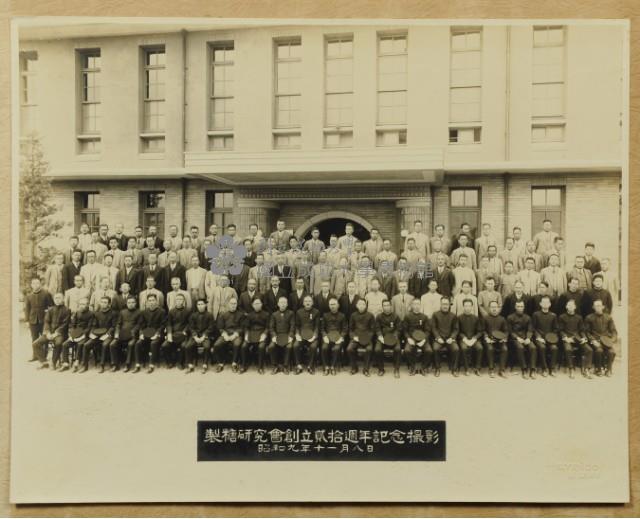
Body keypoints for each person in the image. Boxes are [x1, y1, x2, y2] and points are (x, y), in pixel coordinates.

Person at [32, 292, 69, 370]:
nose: (57, 300)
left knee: (58, 343)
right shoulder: (50, 309)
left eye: (59, 298)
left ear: (63, 299)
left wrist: (56, 333)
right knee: (35, 344)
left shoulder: (67, 310)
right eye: (56, 298)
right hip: (49, 333)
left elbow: (65, 324)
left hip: (60, 334)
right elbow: (46, 322)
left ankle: (53, 362)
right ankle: (43, 362)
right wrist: (48, 333)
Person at [82, 295, 117, 373]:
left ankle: (102, 365)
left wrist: (107, 334)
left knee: (104, 345)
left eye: (105, 302)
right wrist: (92, 333)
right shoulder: (97, 313)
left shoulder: (113, 313)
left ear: (109, 304)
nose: (103, 304)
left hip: (108, 335)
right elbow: (94, 325)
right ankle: (85, 365)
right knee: (86, 345)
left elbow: (113, 327)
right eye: (102, 302)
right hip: (98, 334)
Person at [133, 294, 167, 374]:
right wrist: (141, 334)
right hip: (147, 333)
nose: (151, 302)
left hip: (158, 334)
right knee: (138, 343)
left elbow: (163, 325)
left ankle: (151, 365)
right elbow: (141, 325)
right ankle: (137, 364)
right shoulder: (144, 312)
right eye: (150, 301)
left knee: (153, 343)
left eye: (153, 300)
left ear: (156, 301)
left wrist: (157, 334)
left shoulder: (162, 311)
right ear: (147, 302)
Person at [584, 299, 618, 376]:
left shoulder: (608, 317)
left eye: (599, 305)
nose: (598, 307)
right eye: (596, 306)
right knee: (599, 350)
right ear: (593, 307)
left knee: (612, 352)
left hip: (606, 340)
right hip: (595, 340)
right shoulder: (589, 317)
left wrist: (612, 340)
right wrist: (593, 341)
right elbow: (587, 332)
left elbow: (614, 331)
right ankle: (598, 369)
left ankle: (608, 369)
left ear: (603, 307)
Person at [558, 299, 589, 379]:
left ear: (575, 307)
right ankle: (571, 369)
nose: (570, 307)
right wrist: (565, 338)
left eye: (572, 306)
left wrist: (584, 338)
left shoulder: (579, 317)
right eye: (569, 305)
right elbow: (560, 330)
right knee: (568, 349)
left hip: (577, 338)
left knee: (589, 349)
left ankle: (585, 369)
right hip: (567, 339)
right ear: (566, 307)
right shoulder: (562, 317)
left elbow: (582, 330)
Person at [212, 297, 244, 373]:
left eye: (235, 304)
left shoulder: (241, 314)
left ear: (237, 305)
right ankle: (220, 363)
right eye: (231, 304)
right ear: (228, 305)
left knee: (237, 344)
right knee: (216, 345)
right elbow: (220, 327)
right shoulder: (223, 315)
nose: (233, 305)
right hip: (225, 334)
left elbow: (242, 328)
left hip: (236, 334)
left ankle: (234, 363)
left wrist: (235, 335)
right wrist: (225, 335)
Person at [346, 298, 376, 376]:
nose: (361, 306)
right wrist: (353, 337)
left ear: (365, 306)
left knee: (369, 349)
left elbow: (372, 330)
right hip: (356, 338)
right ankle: (354, 367)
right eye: (359, 304)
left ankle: (366, 369)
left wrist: (367, 338)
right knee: (349, 349)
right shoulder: (353, 315)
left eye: (363, 304)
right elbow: (351, 329)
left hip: (366, 338)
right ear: (356, 306)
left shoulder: (370, 315)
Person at [531, 295, 560, 377]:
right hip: (539, 338)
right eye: (543, 302)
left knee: (554, 348)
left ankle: (552, 368)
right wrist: (539, 337)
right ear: (540, 304)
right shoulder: (535, 314)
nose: (545, 304)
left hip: (550, 338)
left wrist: (550, 338)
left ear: (550, 304)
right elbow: (533, 328)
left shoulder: (553, 315)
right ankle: (544, 368)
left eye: (547, 302)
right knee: (542, 347)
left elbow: (556, 329)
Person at [184, 298, 215, 373]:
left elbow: (211, 327)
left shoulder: (209, 315)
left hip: (205, 335)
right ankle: (190, 365)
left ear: (205, 305)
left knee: (207, 347)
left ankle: (205, 364)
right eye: (198, 304)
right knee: (187, 346)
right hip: (195, 335)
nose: (200, 306)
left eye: (202, 304)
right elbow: (191, 327)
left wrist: (204, 336)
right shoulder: (193, 315)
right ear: (196, 306)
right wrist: (195, 336)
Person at [431, 297, 459, 377]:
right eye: (443, 304)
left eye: (446, 304)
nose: (445, 306)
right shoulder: (435, 314)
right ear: (440, 304)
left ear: (449, 305)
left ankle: (454, 369)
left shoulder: (453, 316)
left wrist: (452, 338)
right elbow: (434, 328)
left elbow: (456, 329)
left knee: (456, 349)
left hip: (450, 339)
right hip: (439, 339)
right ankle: (437, 368)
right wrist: (438, 338)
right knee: (435, 348)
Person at [25, 277, 53, 358]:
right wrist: (27, 321)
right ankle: (35, 355)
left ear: (40, 284)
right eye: (34, 283)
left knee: (44, 338)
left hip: (44, 320)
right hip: (33, 320)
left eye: (37, 283)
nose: (36, 285)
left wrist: (47, 312)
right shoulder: (29, 296)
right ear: (31, 285)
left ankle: (44, 355)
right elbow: (27, 309)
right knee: (34, 338)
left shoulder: (46, 293)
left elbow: (51, 306)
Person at [374, 299, 402, 378]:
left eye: (388, 305)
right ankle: (381, 369)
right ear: (382, 307)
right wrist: (380, 336)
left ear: (391, 306)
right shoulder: (379, 317)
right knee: (377, 349)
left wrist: (395, 336)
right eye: (384, 306)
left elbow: (399, 328)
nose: (386, 307)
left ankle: (396, 369)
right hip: (382, 338)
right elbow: (377, 328)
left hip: (393, 337)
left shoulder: (396, 316)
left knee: (398, 349)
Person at [161, 293, 191, 369]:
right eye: (177, 299)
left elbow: (189, 324)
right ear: (175, 301)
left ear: (184, 301)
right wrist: (169, 333)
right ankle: (170, 362)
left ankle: (180, 363)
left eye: (181, 299)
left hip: (183, 334)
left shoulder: (188, 311)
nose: (179, 301)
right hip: (173, 334)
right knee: (164, 345)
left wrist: (185, 331)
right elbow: (169, 324)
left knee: (183, 346)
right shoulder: (171, 311)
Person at [403, 298, 431, 376]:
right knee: (407, 350)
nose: (416, 306)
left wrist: (424, 340)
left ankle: (423, 367)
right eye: (415, 304)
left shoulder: (424, 317)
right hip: (412, 339)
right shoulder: (407, 316)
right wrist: (408, 338)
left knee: (429, 350)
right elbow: (405, 330)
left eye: (418, 304)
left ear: (420, 305)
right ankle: (413, 367)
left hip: (422, 339)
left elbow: (427, 331)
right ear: (412, 305)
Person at [293, 295, 321, 375]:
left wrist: (314, 336)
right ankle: (298, 366)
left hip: (312, 336)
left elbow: (317, 327)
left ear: (312, 303)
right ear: (303, 303)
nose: (307, 303)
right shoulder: (299, 312)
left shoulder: (316, 312)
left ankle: (310, 366)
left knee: (313, 346)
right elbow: (297, 326)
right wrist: (297, 335)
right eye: (306, 301)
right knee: (295, 345)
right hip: (301, 336)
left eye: (309, 301)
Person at [241, 298, 270, 374]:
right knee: (244, 346)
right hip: (251, 334)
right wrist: (246, 335)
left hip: (262, 334)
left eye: (259, 304)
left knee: (261, 346)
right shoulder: (249, 315)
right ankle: (243, 365)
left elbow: (268, 327)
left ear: (261, 305)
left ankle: (260, 367)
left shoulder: (266, 314)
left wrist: (264, 334)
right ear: (253, 305)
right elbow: (246, 327)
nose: (257, 305)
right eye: (255, 304)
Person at [507, 300, 535, 379]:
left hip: (526, 338)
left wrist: (528, 338)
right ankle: (524, 369)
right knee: (520, 347)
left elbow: (530, 330)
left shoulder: (528, 317)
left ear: (524, 307)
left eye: (521, 306)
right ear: (515, 307)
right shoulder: (510, 317)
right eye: (518, 306)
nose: (520, 308)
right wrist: (517, 338)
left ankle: (532, 369)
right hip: (515, 339)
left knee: (533, 347)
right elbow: (510, 331)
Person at [267, 296, 295, 374]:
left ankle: (285, 366)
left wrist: (290, 336)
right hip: (277, 336)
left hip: (287, 336)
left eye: (284, 303)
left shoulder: (291, 313)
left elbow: (292, 326)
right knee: (271, 346)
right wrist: (274, 336)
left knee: (289, 346)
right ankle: (275, 366)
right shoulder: (274, 314)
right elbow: (271, 327)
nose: (283, 304)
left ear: (287, 304)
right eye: (281, 303)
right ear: (278, 304)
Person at [482, 300, 509, 378]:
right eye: (492, 307)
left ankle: (502, 370)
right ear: (489, 308)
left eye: (495, 307)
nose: (494, 309)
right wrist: (486, 337)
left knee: (504, 349)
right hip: (489, 340)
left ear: (498, 308)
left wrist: (504, 338)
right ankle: (491, 369)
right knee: (490, 348)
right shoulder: (485, 318)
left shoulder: (502, 319)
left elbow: (506, 331)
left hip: (499, 340)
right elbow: (482, 330)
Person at [322, 297, 348, 376]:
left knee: (336, 348)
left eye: (334, 304)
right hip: (328, 337)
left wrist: (341, 338)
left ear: (338, 305)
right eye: (331, 304)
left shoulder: (342, 316)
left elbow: (344, 329)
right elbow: (322, 328)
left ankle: (333, 367)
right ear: (329, 306)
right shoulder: (325, 315)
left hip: (338, 338)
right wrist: (325, 336)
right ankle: (326, 367)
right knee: (324, 348)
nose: (332, 306)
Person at [457, 298, 483, 376]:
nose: (467, 308)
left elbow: (479, 331)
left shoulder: (475, 318)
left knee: (480, 348)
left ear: (472, 307)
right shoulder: (459, 318)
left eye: (469, 306)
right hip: (463, 339)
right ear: (463, 307)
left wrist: (474, 339)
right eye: (466, 306)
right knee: (464, 348)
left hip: (473, 339)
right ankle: (466, 368)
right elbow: (457, 331)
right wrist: (464, 339)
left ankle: (477, 368)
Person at [115, 295, 141, 373]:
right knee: (113, 344)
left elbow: (139, 324)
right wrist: (117, 333)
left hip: (133, 335)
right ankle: (115, 364)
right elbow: (118, 324)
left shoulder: (139, 312)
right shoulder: (122, 312)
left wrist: (133, 331)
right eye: (129, 302)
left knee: (130, 344)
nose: (131, 304)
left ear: (136, 303)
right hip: (122, 335)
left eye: (133, 302)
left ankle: (127, 364)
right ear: (126, 303)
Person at [66, 298, 93, 372]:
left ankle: (79, 363)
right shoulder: (77, 312)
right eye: (80, 304)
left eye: (83, 304)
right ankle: (65, 363)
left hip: (85, 334)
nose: (81, 306)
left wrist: (82, 335)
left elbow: (89, 327)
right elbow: (72, 325)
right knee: (65, 344)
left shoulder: (91, 314)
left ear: (87, 305)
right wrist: (72, 335)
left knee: (81, 344)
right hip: (75, 333)